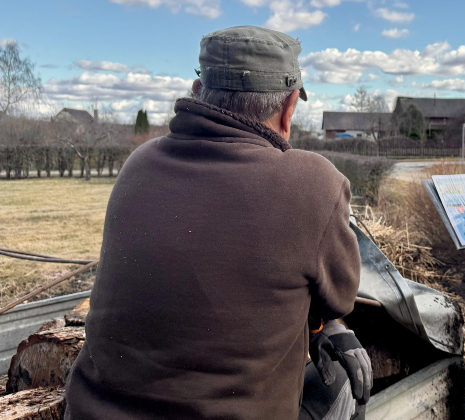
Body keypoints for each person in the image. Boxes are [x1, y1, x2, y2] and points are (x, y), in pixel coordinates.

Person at [65, 26, 369, 420]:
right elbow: (340, 300)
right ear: (289, 106)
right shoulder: (313, 183)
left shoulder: (137, 165)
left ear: (196, 92)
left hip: (90, 413)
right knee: (348, 382)